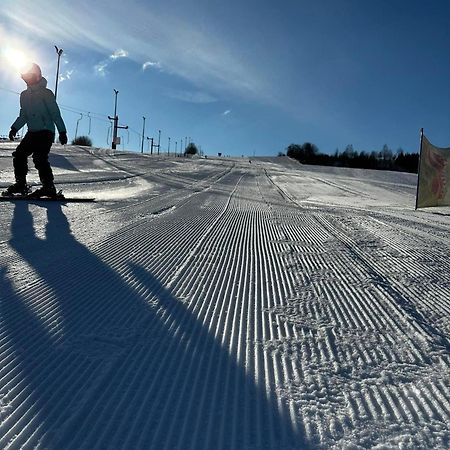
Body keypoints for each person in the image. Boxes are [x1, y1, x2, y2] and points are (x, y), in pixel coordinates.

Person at [6, 63, 67, 197]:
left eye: (30, 76)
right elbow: (24, 115)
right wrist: (14, 128)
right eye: (25, 77)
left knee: (39, 157)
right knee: (19, 155)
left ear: (37, 76)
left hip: (46, 132)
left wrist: (62, 131)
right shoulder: (24, 95)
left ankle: (48, 187)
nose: (28, 79)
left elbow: (55, 113)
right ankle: (21, 184)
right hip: (32, 132)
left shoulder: (46, 93)